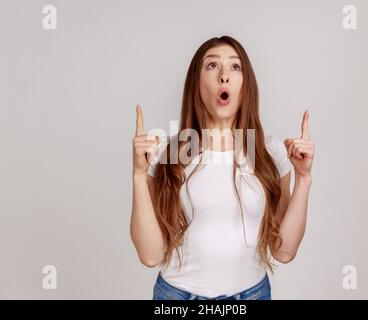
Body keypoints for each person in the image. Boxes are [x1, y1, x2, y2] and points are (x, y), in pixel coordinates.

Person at [130, 36, 315, 300]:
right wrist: (138, 175)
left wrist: (304, 179)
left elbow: (284, 251)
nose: (224, 76)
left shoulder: (269, 153)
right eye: (212, 66)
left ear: (245, 84)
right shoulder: (166, 154)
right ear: (197, 83)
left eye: (235, 67)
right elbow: (150, 256)